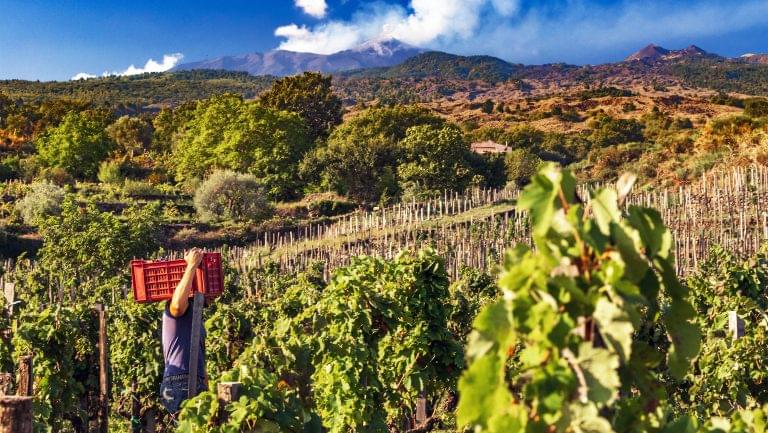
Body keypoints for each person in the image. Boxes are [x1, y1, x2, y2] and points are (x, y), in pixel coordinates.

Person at [159, 248, 208, 416]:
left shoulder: (196, 320)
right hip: (180, 381)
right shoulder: (176, 312)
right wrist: (192, 266)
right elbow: (178, 303)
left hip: (194, 380)